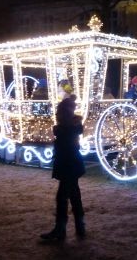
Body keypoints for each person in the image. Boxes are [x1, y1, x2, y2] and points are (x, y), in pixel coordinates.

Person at [41, 96, 86, 241]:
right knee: (74, 195)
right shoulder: (70, 128)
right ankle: (80, 226)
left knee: (62, 197)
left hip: (68, 166)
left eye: (58, 113)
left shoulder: (66, 129)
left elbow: (66, 147)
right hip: (71, 165)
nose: (56, 115)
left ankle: (60, 230)